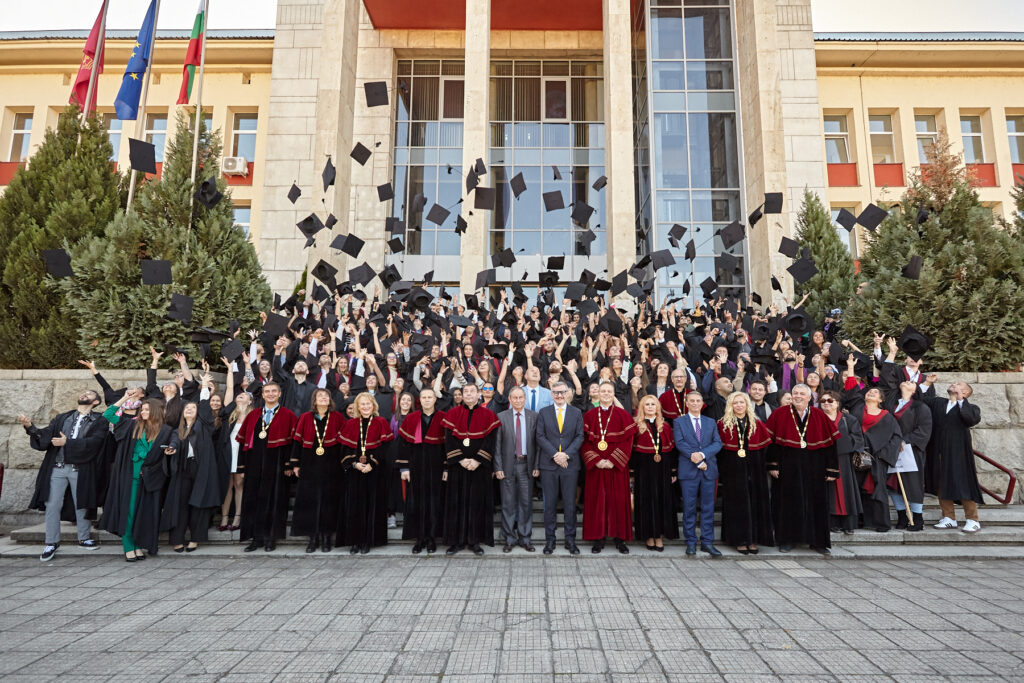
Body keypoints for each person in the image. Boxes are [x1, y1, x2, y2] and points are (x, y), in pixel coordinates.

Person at [20, 390, 107, 562]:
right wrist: (30, 427)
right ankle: (51, 542)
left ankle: (84, 538)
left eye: (89, 394)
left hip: (81, 469)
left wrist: (68, 443)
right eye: (83, 393)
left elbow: (96, 442)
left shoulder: (100, 420)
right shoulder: (63, 418)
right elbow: (45, 436)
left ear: (96, 402)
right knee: (52, 504)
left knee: (81, 504)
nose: (84, 394)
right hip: (57, 468)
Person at [100, 390, 179, 561]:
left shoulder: (166, 430)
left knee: (142, 513)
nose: (142, 412)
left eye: (146, 410)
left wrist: (172, 448)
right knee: (128, 512)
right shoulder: (131, 425)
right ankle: (129, 546)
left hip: (150, 478)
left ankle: (137, 544)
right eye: (141, 410)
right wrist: (125, 398)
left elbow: (175, 440)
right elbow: (108, 414)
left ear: (156, 412)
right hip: (129, 476)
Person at [765, 384, 840, 555]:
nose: (798, 396)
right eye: (795, 393)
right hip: (787, 464)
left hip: (815, 465)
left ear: (809, 397)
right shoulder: (780, 413)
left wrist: (832, 469)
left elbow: (830, 444)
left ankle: (818, 542)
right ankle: (786, 540)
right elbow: (772, 443)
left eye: (801, 394)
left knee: (816, 504)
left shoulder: (819, 415)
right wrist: (772, 464)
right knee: (787, 503)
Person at [236, 382, 299, 552]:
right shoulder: (253, 415)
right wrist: (241, 467)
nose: (270, 394)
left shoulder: (288, 415)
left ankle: (271, 538)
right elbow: (243, 443)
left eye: (274, 391)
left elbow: (293, 443)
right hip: (254, 464)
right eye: (267, 392)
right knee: (254, 501)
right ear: (262, 395)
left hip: (278, 466)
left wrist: (289, 465)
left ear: (279, 394)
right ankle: (256, 538)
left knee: (275, 501)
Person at [440, 382, 500, 555]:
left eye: (472, 391)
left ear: (478, 394)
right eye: (465, 392)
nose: (468, 394)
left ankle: (475, 541)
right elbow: (448, 440)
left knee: (477, 504)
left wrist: (478, 460)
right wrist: (460, 460)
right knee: (455, 504)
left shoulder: (489, 415)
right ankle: (456, 541)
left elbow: (490, 440)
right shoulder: (452, 413)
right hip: (457, 467)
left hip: (479, 468)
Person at [920, 375, 983, 532]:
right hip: (939, 450)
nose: (954, 385)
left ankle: (972, 519)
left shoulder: (971, 407)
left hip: (958, 452)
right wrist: (927, 382)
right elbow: (920, 398)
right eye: (953, 383)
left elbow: (970, 419)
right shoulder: (939, 402)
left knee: (963, 482)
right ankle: (948, 517)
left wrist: (961, 400)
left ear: (966, 392)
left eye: (959, 384)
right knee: (942, 483)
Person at [581, 380, 636, 554]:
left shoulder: (623, 415)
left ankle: (620, 539)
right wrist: (596, 460)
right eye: (602, 391)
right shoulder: (589, 415)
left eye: (609, 391)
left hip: (616, 468)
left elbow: (628, 441)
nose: (605, 394)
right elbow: (584, 442)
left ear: (613, 394)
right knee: (597, 502)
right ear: (597, 393)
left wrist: (613, 460)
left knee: (618, 502)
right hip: (596, 468)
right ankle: (598, 539)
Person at [163, 393, 222, 553]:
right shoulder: (177, 430)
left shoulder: (204, 426)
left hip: (201, 469)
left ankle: (195, 538)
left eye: (193, 408)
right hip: (183, 469)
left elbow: (205, 411)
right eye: (187, 408)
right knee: (180, 505)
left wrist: (203, 389)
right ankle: (177, 539)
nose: (189, 409)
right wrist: (172, 448)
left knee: (198, 504)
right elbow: (174, 441)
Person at [290, 388, 346, 552]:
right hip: (309, 464)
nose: (323, 398)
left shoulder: (337, 417)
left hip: (331, 465)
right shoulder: (305, 418)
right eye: (319, 396)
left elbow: (343, 443)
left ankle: (327, 537)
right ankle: (312, 538)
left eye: (326, 396)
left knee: (329, 501)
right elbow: (297, 442)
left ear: (330, 400)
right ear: (314, 400)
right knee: (310, 501)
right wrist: (295, 464)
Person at [716, 391, 773, 554]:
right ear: (730, 406)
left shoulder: (757, 423)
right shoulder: (722, 424)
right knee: (737, 504)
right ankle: (739, 539)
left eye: (742, 402)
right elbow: (721, 451)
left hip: (755, 469)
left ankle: (753, 539)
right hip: (733, 470)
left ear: (747, 404)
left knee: (755, 503)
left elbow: (765, 449)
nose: (739, 405)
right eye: (736, 403)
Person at [338, 392, 394, 553]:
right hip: (355, 472)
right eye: (362, 404)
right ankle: (355, 541)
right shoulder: (350, 424)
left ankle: (369, 541)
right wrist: (355, 464)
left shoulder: (381, 422)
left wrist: (372, 463)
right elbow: (344, 450)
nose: (365, 407)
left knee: (372, 506)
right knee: (354, 507)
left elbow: (386, 448)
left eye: (368, 403)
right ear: (357, 406)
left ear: (373, 405)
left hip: (375, 472)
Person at [535, 381, 585, 555]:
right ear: (551, 394)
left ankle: (570, 541)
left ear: (568, 393)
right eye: (555, 393)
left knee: (570, 504)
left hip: (570, 465)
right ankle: (550, 541)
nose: (559, 395)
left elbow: (580, 436)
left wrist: (566, 455)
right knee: (549, 505)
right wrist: (556, 455)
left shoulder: (576, 412)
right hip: (549, 465)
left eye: (562, 392)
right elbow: (540, 436)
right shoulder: (543, 413)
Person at [397, 388, 447, 553]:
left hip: (436, 467)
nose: (426, 400)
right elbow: (403, 445)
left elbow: (448, 446)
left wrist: (446, 467)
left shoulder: (443, 418)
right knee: (416, 503)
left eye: (429, 397)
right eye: (424, 397)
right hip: (415, 467)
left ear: (434, 399)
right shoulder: (411, 418)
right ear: (420, 400)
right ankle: (419, 539)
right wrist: (404, 467)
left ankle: (432, 538)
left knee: (434, 503)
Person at [673, 391, 723, 557]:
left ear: (702, 403)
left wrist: (702, 455)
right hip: (688, 471)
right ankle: (691, 541)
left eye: (698, 401)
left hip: (709, 470)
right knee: (689, 507)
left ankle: (707, 542)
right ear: (687, 403)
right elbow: (680, 442)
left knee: (708, 507)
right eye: (692, 401)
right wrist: (694, 457)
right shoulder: (679, 422)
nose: (695, 403)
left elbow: (717, 443)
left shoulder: (710, 422)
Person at [494, 387, 539, 552]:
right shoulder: (501, 417)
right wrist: (498, 467)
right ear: (510, 399)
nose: (518, 400)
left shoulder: (534, 417)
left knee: (526, 503)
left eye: (521, 397)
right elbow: (497, 445)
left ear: (525, 399)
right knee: (508, 504)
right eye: (515, 398)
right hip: (507, 465)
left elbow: (538, 444)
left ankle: (525, 538)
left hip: (526, 465)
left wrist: (536, 466)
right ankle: (509, 539)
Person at [630, 395, 678, 551]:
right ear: (642, 408)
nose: (650, 407)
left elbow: (671, 450)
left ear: (657, 407)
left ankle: (659, 536)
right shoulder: (637, 426)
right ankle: (648, 535)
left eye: (653, 404)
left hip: (662, 468)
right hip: (643, 469)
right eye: (647, 405)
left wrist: (672, 471)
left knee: (661, 500)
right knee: (646, 500)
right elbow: (633, 452)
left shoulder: (666, 426)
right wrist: (632, 473)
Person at [854, 387, 904, 532]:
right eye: (869, 391)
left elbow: (896, 437)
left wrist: (883, 454)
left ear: (881, 400)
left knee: (877, 489)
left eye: (875, 392)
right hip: (858, 456)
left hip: (878, 458)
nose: (871, 392)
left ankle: (881, 523)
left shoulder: (887, 416)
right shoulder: (856, 412)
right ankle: (860, 520)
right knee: (857, 488)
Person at [885, 380, 932, 532]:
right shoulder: (891, 405)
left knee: (913, 484)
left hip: (911, 451)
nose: (907, 382)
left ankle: (917, 518)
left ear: (915, 390)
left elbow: (924, 429)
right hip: (891, 449)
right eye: (905, 381)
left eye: (911, 382)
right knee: (893, 483)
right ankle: (902, 516)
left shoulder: (920, 407)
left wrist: (905, 440)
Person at [819, 389, 865, 534]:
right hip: (823, 461)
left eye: (830, 400)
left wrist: (837, 444)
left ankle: (848, 524)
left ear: (837, 403)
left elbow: (858, 438)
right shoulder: (816, 419)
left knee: (846, 492)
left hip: (844, 461)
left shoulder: (849, 419)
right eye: (823, 401)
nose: (826, 403)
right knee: (829, 493)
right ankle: (832, 523)